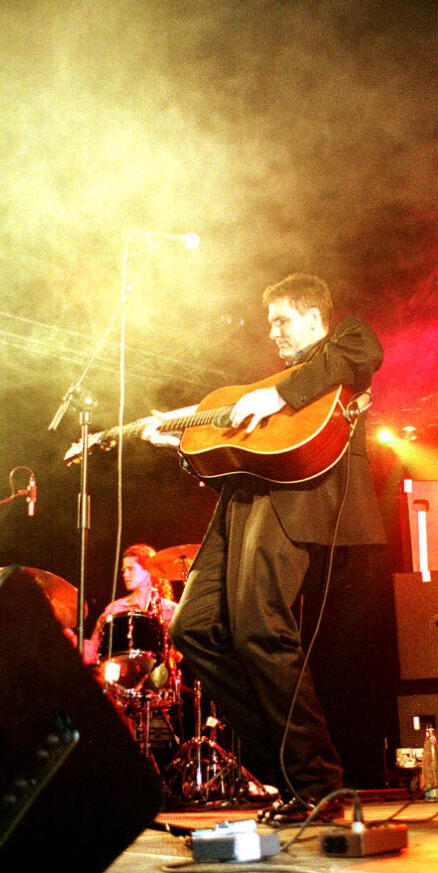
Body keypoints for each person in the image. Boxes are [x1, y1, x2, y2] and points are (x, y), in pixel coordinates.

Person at [142, 273, 386, 824]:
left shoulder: (343, 342)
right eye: (270, 322)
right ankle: (288, 774)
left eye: (281, 320)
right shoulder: (279, 381)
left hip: (294, 498)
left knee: (259, 628)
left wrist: (275, 393)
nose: (272, 332)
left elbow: (365, 349)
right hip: (243, 502)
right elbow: (234, 448)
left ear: (313, 317)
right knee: (192, 628)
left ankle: (319, 783)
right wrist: (180, 434)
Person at [80, 543, 176, 670]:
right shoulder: (115, 608)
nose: (125, 574)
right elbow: (93, 651)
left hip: (159, 680)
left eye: (130, 569)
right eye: (124, 570)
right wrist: (68, 634)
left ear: (148, 570)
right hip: (120, 678)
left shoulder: (170, 610)